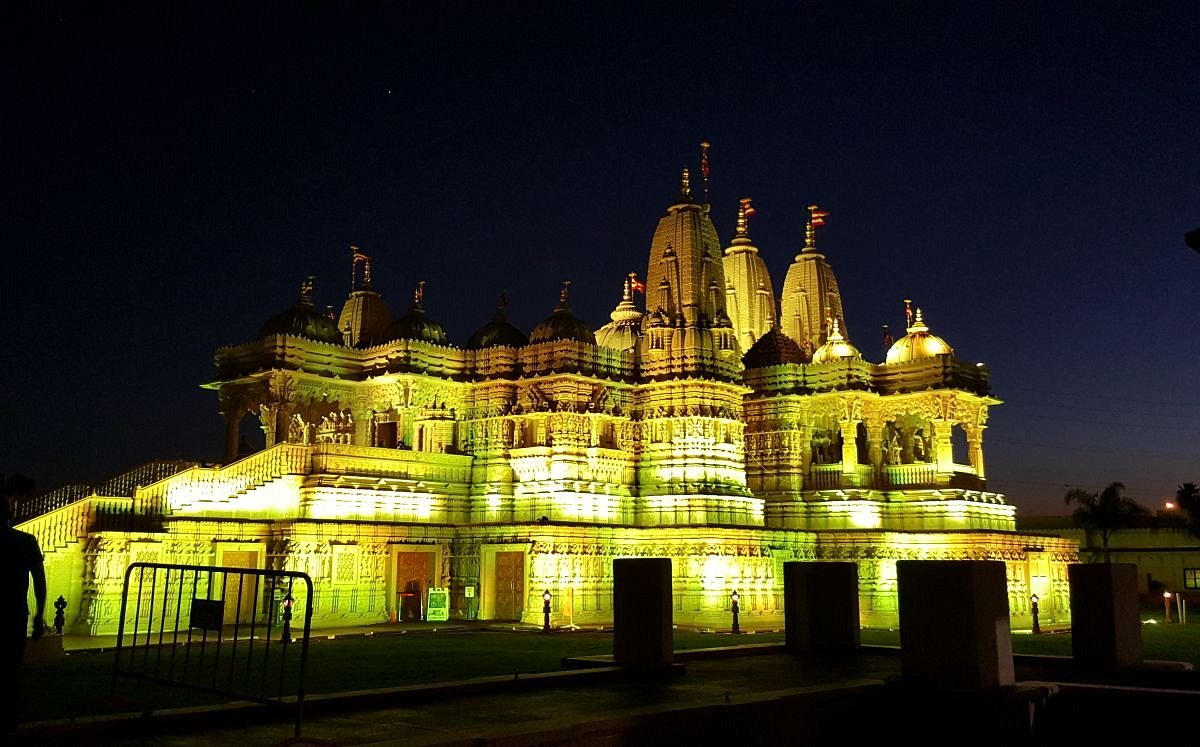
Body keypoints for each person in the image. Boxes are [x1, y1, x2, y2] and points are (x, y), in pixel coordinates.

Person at [1, 496, 47, 734]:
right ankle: (9, 721)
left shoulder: (25, 542)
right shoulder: (25, 542)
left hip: (12, 613)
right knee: (10, 671)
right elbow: (39, 579)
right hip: (14, 613)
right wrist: (40, 614)